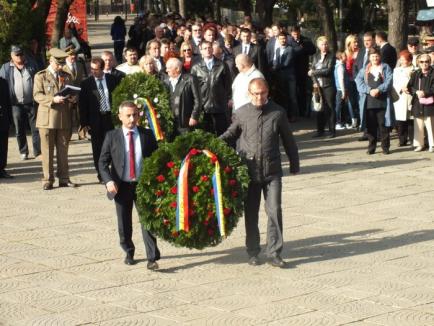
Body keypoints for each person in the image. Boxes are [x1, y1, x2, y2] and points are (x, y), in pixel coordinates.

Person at [220, 78, 300, 268]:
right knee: (251, 213)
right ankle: (253, 251)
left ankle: (274, 252)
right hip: (250, 171)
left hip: (272, 172)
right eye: (255, 93)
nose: (259, 97)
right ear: (249, 93)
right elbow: (230, 134)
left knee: (274, 210)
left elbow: (289, 140)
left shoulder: (278, 113)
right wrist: (211, 144)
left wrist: (294, 164)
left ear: (267, 93)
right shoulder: (241, 113)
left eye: (262, 93)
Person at [98, 101, 160, 270]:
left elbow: (156, 159)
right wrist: (109, 180)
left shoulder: (147, 135)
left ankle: (152, 257)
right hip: (121, 185)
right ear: (120, 117)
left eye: (135, 115)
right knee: (124, 222)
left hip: (142, 185)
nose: (132, 119)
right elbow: (102, 162)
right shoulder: (112, 136)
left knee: (148, 220)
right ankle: (129, 251)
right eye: (128, 115)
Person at [33, 48, 77, 190]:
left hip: (63, 118)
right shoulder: (41, 76)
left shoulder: (66, 75)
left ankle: (64, 178)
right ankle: (47, 179)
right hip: (47, 118)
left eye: (62, 63)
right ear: (51, 60)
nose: (60, 66)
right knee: (47, 151)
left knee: (63, 150)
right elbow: (37, 95)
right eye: (58, 64)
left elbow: (70, 91)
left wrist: (72, 98)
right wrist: (53, 99)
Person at [79, 57, 117, 182]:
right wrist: (84, 123)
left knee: (113, 146)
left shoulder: (112, 80)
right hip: (95, 120)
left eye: (96, 69)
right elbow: (82, 105)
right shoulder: (86, 83)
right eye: (91, 69)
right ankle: (101, 174)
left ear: (102, 69)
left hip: (110, 118)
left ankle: (114, 171)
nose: (93, 72)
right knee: (97, 149)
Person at [0, 45, 40, 160]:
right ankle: (23, 151)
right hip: (15, 104)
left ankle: (38, 151)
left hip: (31, 102)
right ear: (11, 56)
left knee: (36, 128)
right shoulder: (6, 68)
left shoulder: (32, 64)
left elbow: (38, 79)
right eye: (17, 55)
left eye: (21, 54)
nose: (20, 57)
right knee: (19, 129)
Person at [355, 48, 394, 155]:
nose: (375, 58)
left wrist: (379, 89)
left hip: (382, 101)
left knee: (383, 125)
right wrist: (369, 90)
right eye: (372, 56)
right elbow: (358, 81)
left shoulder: (385, 67)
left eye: (376, 56)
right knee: (371, 126)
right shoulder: (364, 70)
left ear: (380, 56)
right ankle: (371, 147)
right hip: (369, 102)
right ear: (369, 57)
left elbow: (389, 81)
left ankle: (385, 147)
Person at [190, 41, 232, 136]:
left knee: (222, 135)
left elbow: (228, 84)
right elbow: (193, 89)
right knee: (206, 136)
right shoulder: (196, 68)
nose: (208, 50)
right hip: (203, 107)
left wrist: (229, 98)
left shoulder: (222, 65)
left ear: (212, 49)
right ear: (201, 51)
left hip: (219, 106)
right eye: (205, 48)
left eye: (209, 47)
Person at [163, 58, 201, 134]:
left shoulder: (190, 79)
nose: (166, 70)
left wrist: (194, 116)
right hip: (171, 123)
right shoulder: (165, 82)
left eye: (169, 68)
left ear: (177, 69)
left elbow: (198, 100)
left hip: (186, 122)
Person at [309, 36, 336, 138]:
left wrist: (314, 72)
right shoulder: (315, 56)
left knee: (330, 107)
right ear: (318, 45)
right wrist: (314, 82)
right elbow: (311, 71)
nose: (324, 46)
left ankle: (332, 131)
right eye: (322, 44)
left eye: (326, 44)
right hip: (317, 86)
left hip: (328, 85)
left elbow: (328, 71)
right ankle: (320, 130)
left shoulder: (331, 56)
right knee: (318, 108)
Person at [406, 54, 434, 152]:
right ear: (418, 63)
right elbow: (409, 87)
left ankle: (432, 144)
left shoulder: (433, 73)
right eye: (422, 62)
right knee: (418, 125)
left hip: (430, 103)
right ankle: (419, 144)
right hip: (417, 103)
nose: (424, 64)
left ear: (430, 62)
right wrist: (416, 92)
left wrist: (425, 93)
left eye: (426, 61)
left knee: (430, 125)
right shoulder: (416, 73)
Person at [287, 25, 316, 118]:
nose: (296, 35)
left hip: (303, 69)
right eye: (294, 34)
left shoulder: (306, 40)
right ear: (291, 33)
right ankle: (295, 112)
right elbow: (291, 52)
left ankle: (303, 111)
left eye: (297, 33)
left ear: (299, 32)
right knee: (293, 92)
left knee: (303, 91)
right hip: (292, 70)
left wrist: (303, 48)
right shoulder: (289, 41)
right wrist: (300, 49)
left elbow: (313, 50)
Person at [268, 32, 297, 121]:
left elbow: (286, 63)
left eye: (284, 38)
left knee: (292, 96)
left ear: (286, 39)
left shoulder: (290, 49)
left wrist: (274, 68)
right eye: (281, 39)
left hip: (289, 76)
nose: (283, 40)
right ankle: (284, 115)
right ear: (278, 39)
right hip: (280, 76)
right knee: (283, 96)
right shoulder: (277, 50)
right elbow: (276, 61)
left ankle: (293, 115)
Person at [63, 50, 87, 140]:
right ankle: (68, 135)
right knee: (68, 116)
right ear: (66, 56)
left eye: (74, 55)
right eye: (70, 55)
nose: (73, 56)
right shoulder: (62, 67)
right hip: (67, 96)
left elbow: (83, 79)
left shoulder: (80, 65)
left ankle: (82, 134)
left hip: (79, 94)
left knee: (80, 114)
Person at [393, 50, 414, 147]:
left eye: (404, 59)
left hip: (410, 96)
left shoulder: (414, 69)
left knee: (411, 119)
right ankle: (402, 139)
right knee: (400, 120)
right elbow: (394, 83)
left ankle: (413, 139)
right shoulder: (396, 70)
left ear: (409, 60)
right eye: (400, 59)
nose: (402, 61)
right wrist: (401, 88)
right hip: (400, 97)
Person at [344, 34, 360, 128]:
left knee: (358, 100)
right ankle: (354, 119)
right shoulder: (345, 54)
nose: (356, 44)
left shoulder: (360, 52)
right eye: (354, 42)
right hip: (349, 80)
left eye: (357, 42)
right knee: (351, 101)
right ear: (349, 43)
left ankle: (360, 120)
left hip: (358, 80)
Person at [334, 51, 351, 131]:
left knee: (342, 106)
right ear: (340, 57)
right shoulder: (340, 66)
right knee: (339, 106)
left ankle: (343, 122)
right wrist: (344, 91)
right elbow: (341, 79)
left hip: (341, 89)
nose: (346, 57)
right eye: (344, 56)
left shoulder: (340, 65)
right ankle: (338, 122)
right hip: (341, 89)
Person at [0, 76, 12, 178]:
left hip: (3, 119)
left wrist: (9, 119)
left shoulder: (3, 81)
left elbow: (8, 101)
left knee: (3, 146)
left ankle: (1, 169)